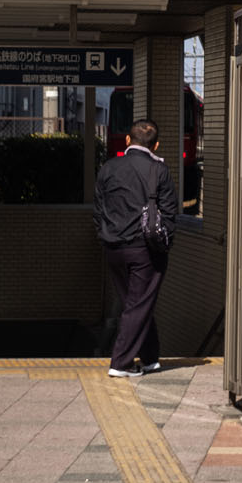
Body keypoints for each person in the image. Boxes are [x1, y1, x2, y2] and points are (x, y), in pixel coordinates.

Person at [95, 117, 177, 378]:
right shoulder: (159, 171)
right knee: (138, 305)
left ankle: (150, 359)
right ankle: (121, 363)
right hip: (145, 250)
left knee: (136, 303)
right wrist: (164, 243)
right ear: (156, 145)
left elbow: (99, 209)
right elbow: (170, 214)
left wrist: (105, 235)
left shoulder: (109, 167)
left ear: (128, 140)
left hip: (113, 248)